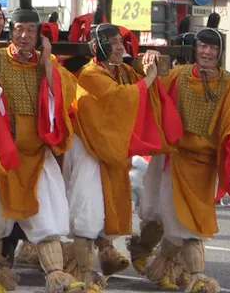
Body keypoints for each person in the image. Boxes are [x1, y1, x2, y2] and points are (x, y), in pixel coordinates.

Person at [0, 0, 82, 293]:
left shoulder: (47, 64)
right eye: (19, 29)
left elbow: (66, 94)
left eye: (31, 30)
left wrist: (47, 63)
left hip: (37, 156)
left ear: (39, 35)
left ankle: (57, 276)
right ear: (11, 31)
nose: (24, 36)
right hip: (2, 156)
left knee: (48, 218)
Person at [132, 18, 230, 293]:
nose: (207, 52)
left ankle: (162, 268)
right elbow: (151, 86)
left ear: (219, 53)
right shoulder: (179, 75)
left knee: (189, 223)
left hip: (205, 168)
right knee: (174, 220)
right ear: (195, 49)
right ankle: (191, 274)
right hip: (174, 161)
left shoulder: (229, 86)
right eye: (203, 47)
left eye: (213, 48)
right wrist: (148, 60)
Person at [64, 22, 181, 289]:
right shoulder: (90, 74)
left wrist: (150, 59)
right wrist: (148, 79)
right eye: (114, 42)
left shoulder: (122, 70)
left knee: (107, 209)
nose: (120, 47)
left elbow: (140, 77)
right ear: (98, 47)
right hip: (89, 150)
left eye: (120, 41)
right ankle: (83, 275)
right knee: (87, 212)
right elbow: (121, 98)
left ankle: (100, 258)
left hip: (111, 151)